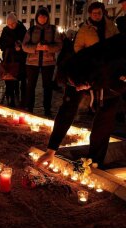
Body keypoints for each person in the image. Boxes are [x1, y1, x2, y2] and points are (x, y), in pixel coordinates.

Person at [37, 32, 126, 168]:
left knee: (105, 118)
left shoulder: (112, 66)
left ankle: (95, 161)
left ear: (89, 79)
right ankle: (93, 163)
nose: (77, 89)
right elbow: (67, 111)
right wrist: (51, 149)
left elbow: (104, 121)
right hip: (105, 80)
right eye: (73, 85)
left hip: (118, 77)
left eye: (79, 86)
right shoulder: (75, 72)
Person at [22, 7, 62, 117]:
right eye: (40, 16)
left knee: (47, 87)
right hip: (32, 62)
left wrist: (48, 48)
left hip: (48, 63)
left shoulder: (53, 30)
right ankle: (29, 108)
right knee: (30, 86)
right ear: (37, 17)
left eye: (44, 16)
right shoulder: (31, 30)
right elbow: (24, 46)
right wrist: (36, 47)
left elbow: (59, 45)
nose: (42, 19)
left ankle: (47, 109)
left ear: (47, 18)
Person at [0, 13, 27, 107]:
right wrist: (9, 46)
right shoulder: (5, 30)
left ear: (16, 22)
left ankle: (21, 100)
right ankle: (11, 100)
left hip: (20, 60)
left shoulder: (22, 29)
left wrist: (20, 46)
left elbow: (26, 43)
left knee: (20, 80)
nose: (11, 26)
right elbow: (1, 44)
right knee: (9, 80)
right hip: (8, 59)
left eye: (13, 24)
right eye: (9, 24)